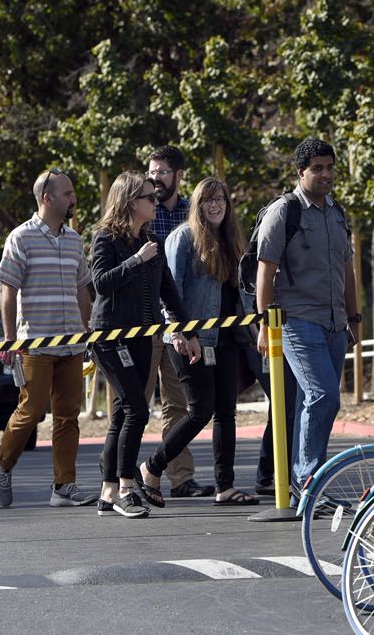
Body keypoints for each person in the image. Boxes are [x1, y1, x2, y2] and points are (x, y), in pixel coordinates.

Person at [142, 178, 258, 506]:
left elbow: (243, 291)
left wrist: (253, 330)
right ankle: (151, 468)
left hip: (226, 338)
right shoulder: (184, 238)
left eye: (220, 198)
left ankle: (226, 486)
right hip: (190, 338)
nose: (215, 205)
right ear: (197, 204)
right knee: (199, 410)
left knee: (226, 412)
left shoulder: (232, 239)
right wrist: (180, 333)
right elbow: (172, 290)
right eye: (208, 200)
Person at [0, 169, 97, 508]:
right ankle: (2, 463)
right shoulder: (20, 238)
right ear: (47, 198)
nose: (73, 198)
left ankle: (64, 486)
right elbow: (8, 292)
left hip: (72, 343)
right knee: (31, 410)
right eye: (67, 193)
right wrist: (9, 340)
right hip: (34, 341)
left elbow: (83, 288)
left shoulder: (74, 239)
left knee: (68, 416)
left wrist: (88, 328)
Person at [255, 138, 360, 488]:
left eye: (330, 167)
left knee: (312, 403)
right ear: (301, 172)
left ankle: (306, 482)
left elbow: (347, 269)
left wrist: (354, 318)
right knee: (323, 396)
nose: (326, 174)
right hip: (297, 321)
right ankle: (308, 480)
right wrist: (263, 323)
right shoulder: (284, 211)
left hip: (334, 323)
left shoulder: (337, 211)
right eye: (317, 168)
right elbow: (265, 271)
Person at [89, 171, 189, 518]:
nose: (155, 202)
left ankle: (107, 490)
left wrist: (185, 329)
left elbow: (169, 292)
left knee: (122, 412)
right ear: (131, 201)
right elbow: (100, 283)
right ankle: (127, 486)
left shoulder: (151, 242)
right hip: (111, 336)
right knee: (136, 409)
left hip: (143, 336)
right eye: (149, 197)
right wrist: (135, 261)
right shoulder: (105, 238)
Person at [143, 145, 211, 499]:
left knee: (178, 402)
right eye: (152, 171)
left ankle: (180, 476)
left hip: (177, 323)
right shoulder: (141, 208)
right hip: (140, 320)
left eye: (162, 172)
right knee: (132, 403)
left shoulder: (192, 213)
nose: (155, 178)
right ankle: (121, 479)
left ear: (179, 175)